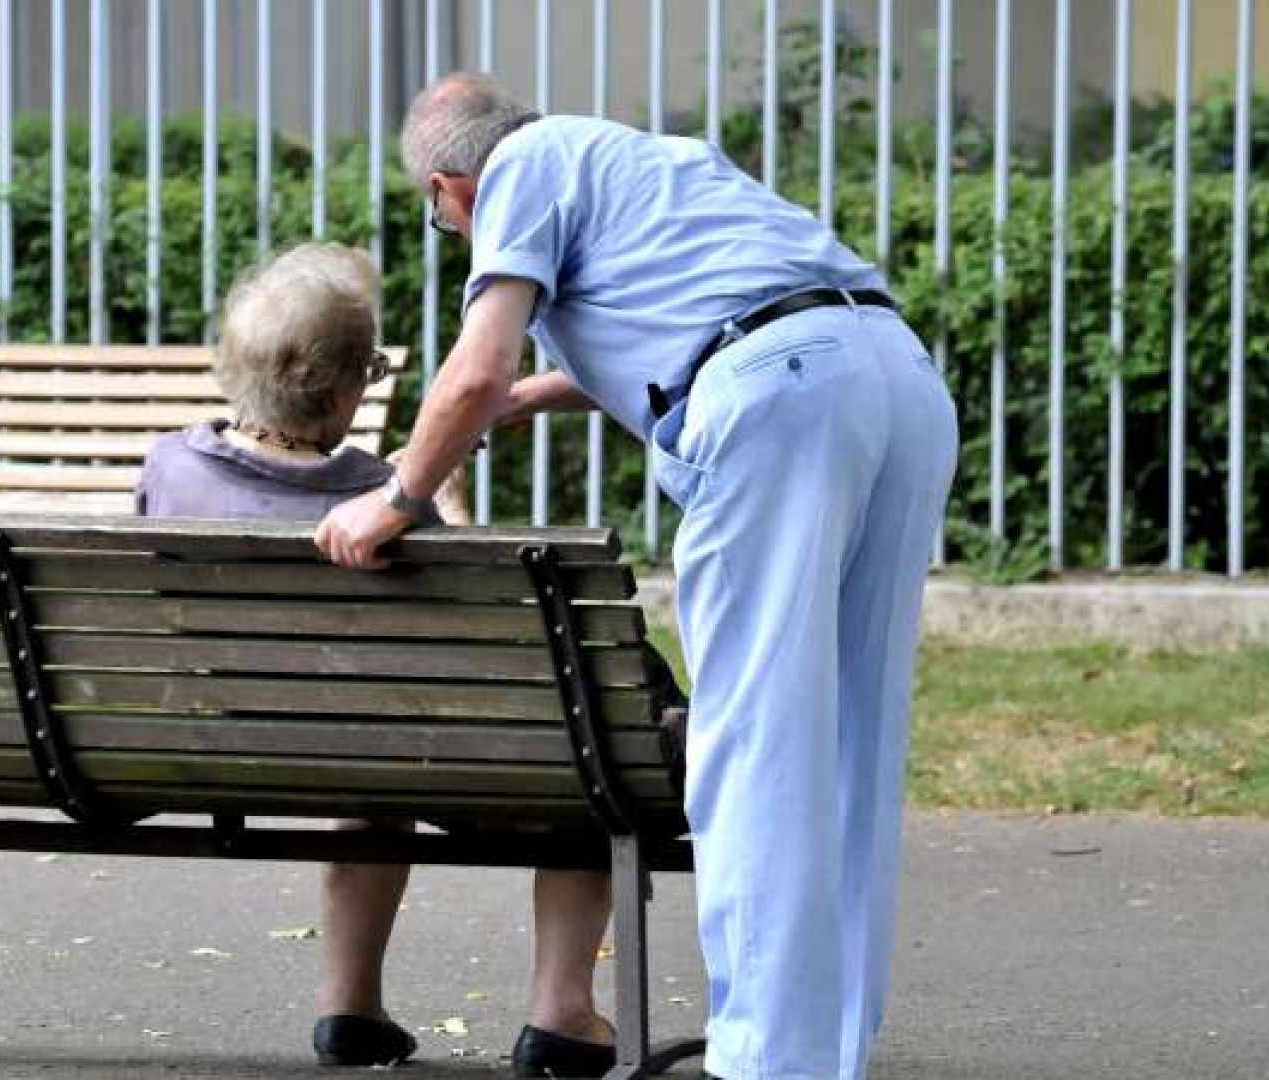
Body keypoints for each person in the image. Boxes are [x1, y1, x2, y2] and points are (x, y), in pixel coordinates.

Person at [314, 74, 959, 1080]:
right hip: (894, 379)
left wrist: (395, 496)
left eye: (441, 219)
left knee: (752, 740)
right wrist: (531, 397)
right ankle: (827, 1047)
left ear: (450, 187)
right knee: (853, 739)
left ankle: (764, 1061)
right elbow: (706, 311)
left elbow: (473, 367)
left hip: (780, 408)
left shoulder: (515, 171)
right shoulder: (645, 157)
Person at [137, 241, 625, 1077]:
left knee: (368, 785)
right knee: (582, 797)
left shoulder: (170, 463)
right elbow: (471, 643)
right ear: (343, 387)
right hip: (374, 741)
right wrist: (439, 502)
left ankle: (352, 1009)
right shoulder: (385, 496)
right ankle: (561, 1015)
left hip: (230, 739)